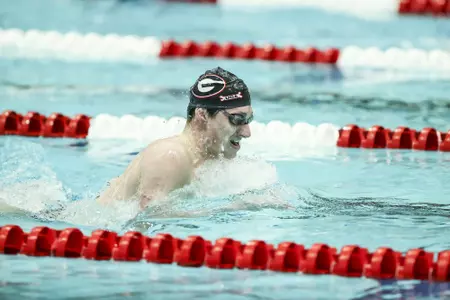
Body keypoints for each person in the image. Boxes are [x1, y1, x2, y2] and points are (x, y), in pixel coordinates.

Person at [97, 67, 254, 209]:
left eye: (248, 120)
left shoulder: (214, 160)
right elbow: (147, 221)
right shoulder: (170, 156)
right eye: (237, 120)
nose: (247, 132)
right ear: (202, 114)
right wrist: (228, 210)